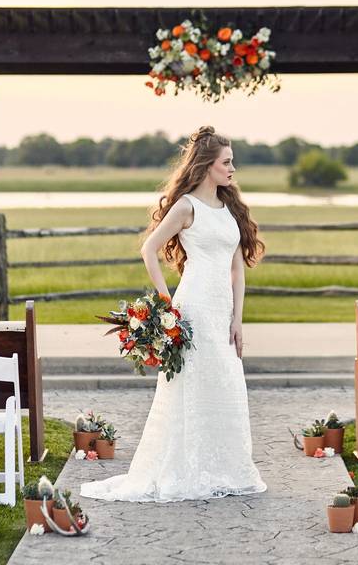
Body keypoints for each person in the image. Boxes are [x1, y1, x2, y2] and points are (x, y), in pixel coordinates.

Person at [80, 125, 268, 502]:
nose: (233, 169)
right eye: (227, 162)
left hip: (222, 311)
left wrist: (237, 319)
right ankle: (188, 469)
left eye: (232, 162)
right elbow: (149, 249)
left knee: (226, 385)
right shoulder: (186, 207)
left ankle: (223, 468)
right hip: (193, 306)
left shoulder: (229, 207)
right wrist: (167, 303)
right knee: (193, 387)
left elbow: (237, 269)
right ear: (207, 166)